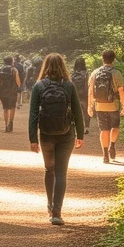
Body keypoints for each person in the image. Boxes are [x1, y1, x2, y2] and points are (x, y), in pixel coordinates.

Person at [28, 53, 84, 225]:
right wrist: (80, 135)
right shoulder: (68, 85)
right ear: (63, 66)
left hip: (45, 134)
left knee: (49, 170)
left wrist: (33, 138)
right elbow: (77, 111)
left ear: (45, 66)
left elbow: (33, 114)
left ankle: (50, 204)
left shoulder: (39, 86)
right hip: (66, 134)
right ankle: (56, 212)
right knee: (61, 172)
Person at [88, 49, 124, 164]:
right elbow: (121, 91)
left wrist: (90, 106)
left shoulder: (95, 72)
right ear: (113, 59)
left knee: (104, 130)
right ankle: (112, 146)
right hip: (113, 105)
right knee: (115, 127)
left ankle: (105, 154)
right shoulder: (116, 73)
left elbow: (90, 91)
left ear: (102, 58)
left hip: (99, 106)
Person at [0, 55, 21, 131]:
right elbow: (18, 82)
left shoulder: (0, 69)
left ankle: (6, 125)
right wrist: (19, 86)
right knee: (12, 107)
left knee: (5, 108)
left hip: (2, 92)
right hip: (12, 92)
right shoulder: (14, 70)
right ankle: (11, 123)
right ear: (11, 61)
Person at [71, 55, 91, 131]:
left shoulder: (72, 73)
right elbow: (87, 84)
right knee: (85, 111)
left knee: (75, 110)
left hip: (75, 94)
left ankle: (75, 126)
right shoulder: (86, 73)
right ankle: (86, 127)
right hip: (84, 94)